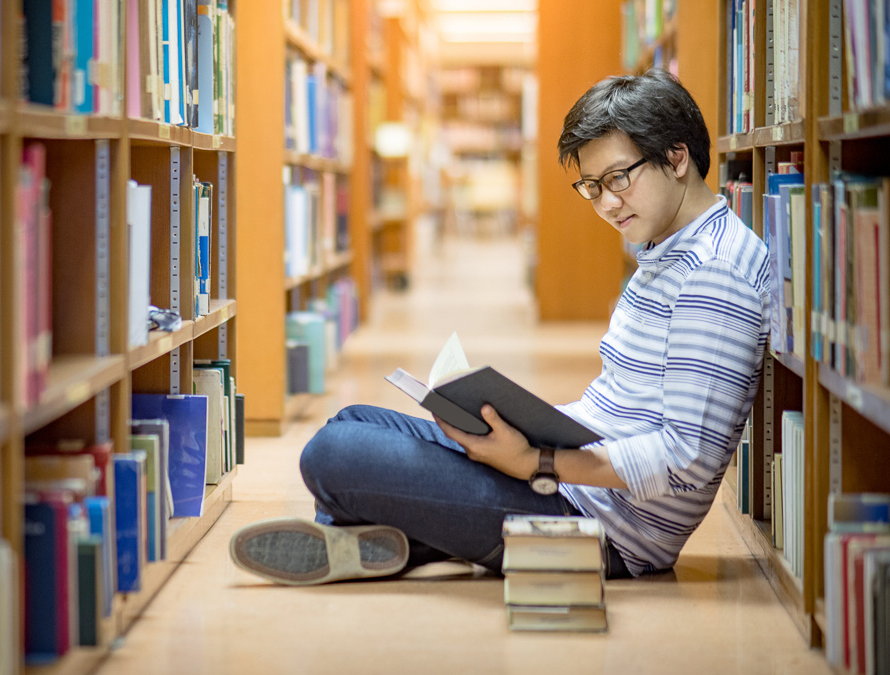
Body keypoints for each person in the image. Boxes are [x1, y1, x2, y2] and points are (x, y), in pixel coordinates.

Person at [229, 69, 772, 585]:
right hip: (568, 477)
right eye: (591, 186)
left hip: (599, 525)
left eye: (618, 178)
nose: (606, 203)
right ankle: (400, 540)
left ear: (676, 158)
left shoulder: (713, 275)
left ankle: (389, 539)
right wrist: (529, 433)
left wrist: (536, 461)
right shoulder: (669, 251)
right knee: (353, 421)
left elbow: (687, 459)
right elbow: (628, 408)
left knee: (334, 455)